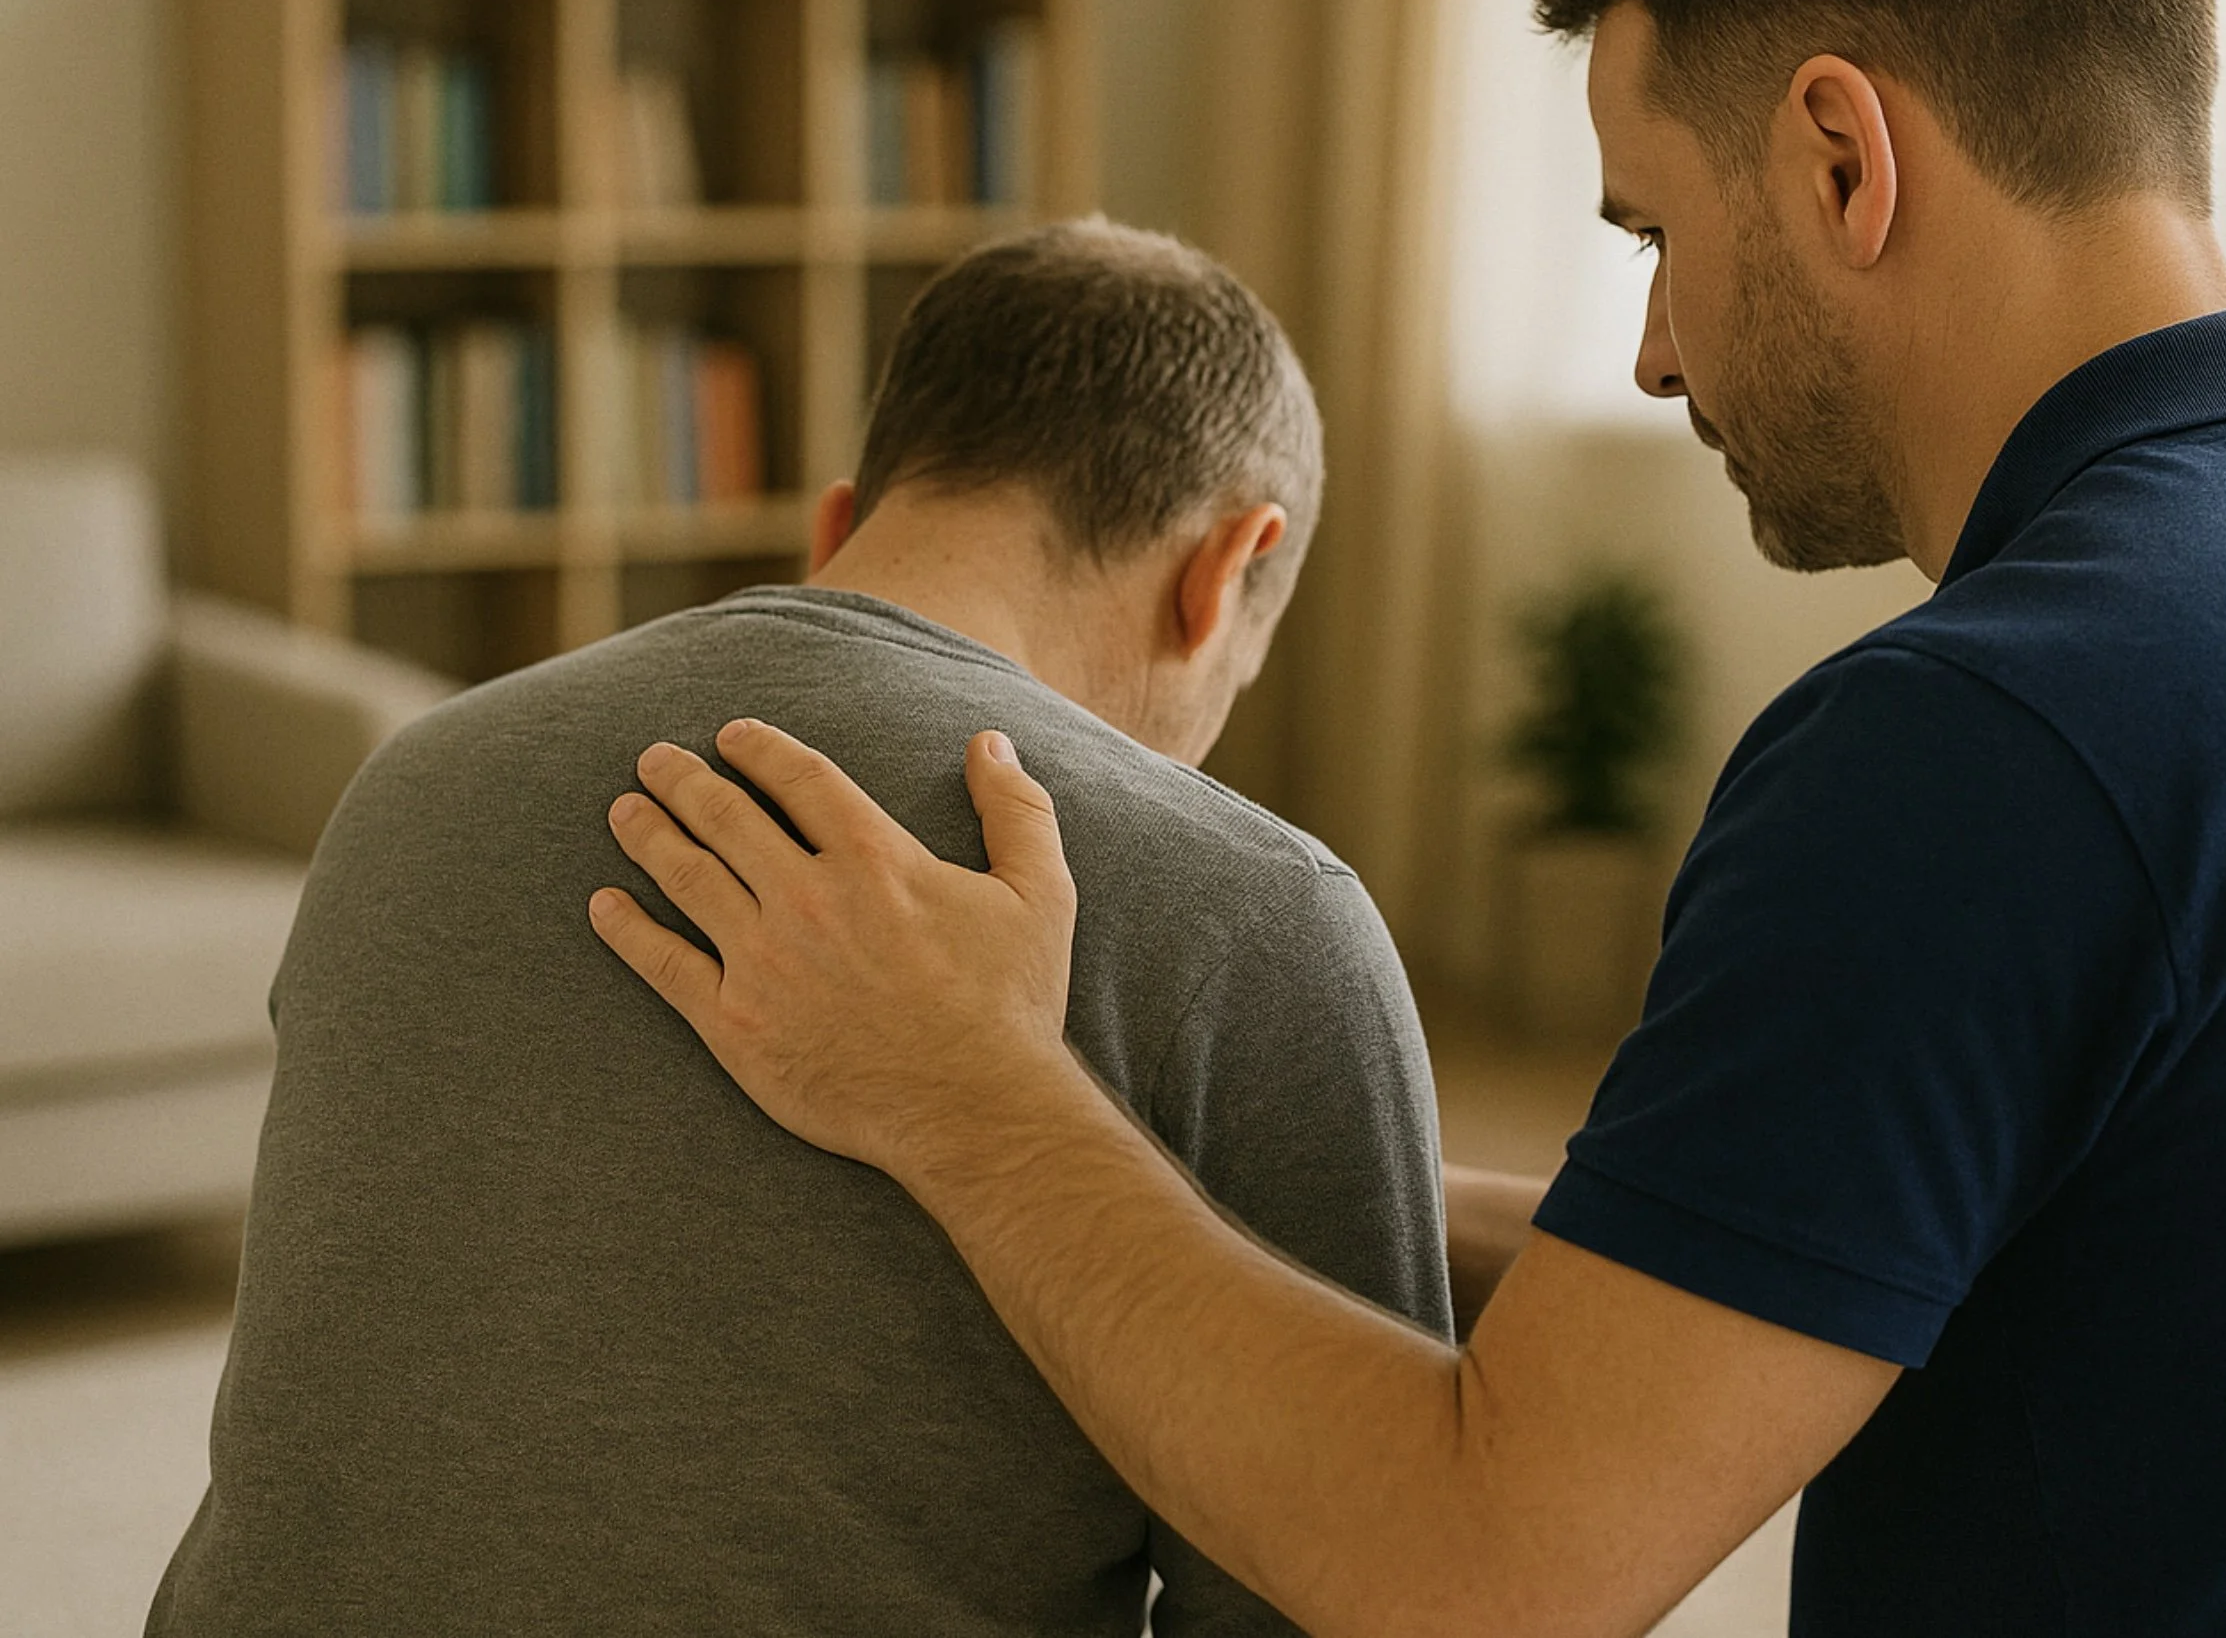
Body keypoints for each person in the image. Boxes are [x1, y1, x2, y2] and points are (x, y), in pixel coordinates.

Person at [589, 0, 2226, 1634]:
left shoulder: (1980, 740)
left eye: (1656, 235)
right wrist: (1211, 1141)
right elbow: (1823, 1262)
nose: (1653, 352)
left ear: (1842, 156)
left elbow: (1479, 1567)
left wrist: (964, 1092)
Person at [149, 220, 1452, 1637]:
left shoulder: (408, 779)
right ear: (1223, 574)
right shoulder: (1260, 914)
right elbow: (1367, 1596)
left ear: (841, 524)